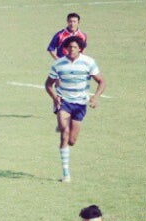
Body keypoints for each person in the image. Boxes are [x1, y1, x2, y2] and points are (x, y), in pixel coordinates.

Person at [44, 36, 106, 182]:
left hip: (80, 104)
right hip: (64, 102)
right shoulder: (59, 64)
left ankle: (63, 127)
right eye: (69, 47)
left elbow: (102, 81)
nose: (72, 50)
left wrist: (95, 97)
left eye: (75, 47)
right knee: (64, 134)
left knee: (72, 141)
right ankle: (66, 174)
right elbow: (48, 84)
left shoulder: (88, 62)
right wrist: (55, 97)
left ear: (80, 49)